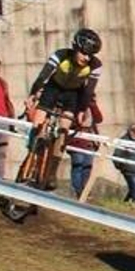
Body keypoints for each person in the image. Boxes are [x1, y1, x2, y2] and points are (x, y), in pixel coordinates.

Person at [25, 28, 104, 183]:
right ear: (75, 48)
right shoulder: (61, 55)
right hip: (53, 88)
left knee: (63, 132)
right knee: (38, 122)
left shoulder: (95, 65)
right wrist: (32, 95)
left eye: (90, 55)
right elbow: (43, 76)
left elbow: (88, 91)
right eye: (84, 53)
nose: (87, 58)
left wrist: (82, 110)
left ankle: (52, 172)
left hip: (73, 94)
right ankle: (32, 150)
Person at [66, 106, 102, 199]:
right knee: (78, 166)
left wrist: (93, 105)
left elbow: (99, 118)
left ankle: (86, 191)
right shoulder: (74, 105)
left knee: (87, 167)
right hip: (77, 142)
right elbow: (73, 123)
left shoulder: (91, 106)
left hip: (89, 143)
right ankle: (78, 191)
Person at [113, 123, 135, 204]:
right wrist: (122, 167)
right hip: (129, 170)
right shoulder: (124, 141)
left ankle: (125, 202)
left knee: (134, 188)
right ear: (132, 132)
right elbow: (116, 155)